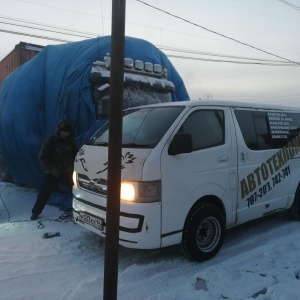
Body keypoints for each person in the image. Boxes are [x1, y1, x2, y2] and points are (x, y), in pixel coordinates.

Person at [30, 120, 78, 220]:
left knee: (76, 191)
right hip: (53, 172)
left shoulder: (71, 142)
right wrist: (52, 169)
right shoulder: (50, 140)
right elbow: (43, 157)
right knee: (45, 192)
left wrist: (74, 168)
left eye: (67, 131)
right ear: (59, 131)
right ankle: (36, 212)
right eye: (63, 131)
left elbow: (75, 156)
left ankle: (79, 212)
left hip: (68, 172)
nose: (65, 134)